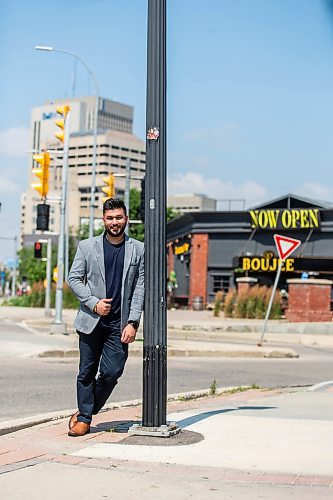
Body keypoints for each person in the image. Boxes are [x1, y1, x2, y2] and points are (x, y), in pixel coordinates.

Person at [67, 198, 144, 437]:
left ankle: (86, 410)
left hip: (119, 324)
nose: (114, 222)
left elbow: (140, 286)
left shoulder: (138, 249)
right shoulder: (87, 246)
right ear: (104, 220)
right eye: (110, 218)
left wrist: (133, 322)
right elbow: (74, 279)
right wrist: (93, 303)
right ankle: (85, 419)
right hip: (91, 320)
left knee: (111, 373)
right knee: (86, 373)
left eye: (119, 217)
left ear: (126, 219)